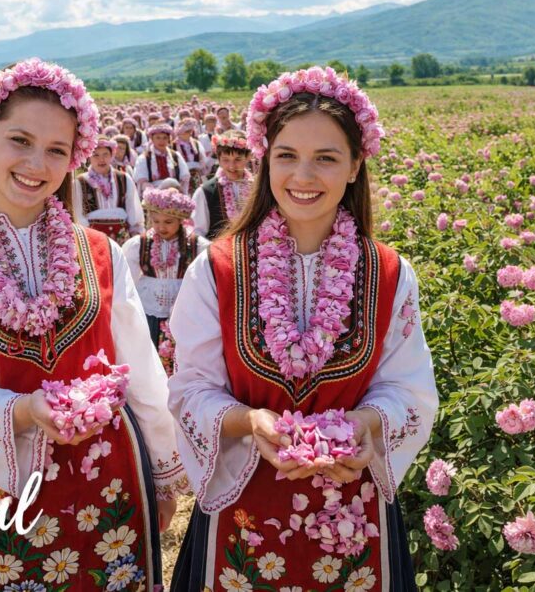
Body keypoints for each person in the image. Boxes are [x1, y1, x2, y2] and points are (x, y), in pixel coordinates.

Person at [0, 59, 187, 591]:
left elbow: (143, 371)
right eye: (20, 140)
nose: (37, 163)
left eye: (56, 150)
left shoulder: (101, 251)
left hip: (114, 475)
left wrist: (165, 471)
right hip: (6, 489)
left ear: (72, 159)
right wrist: (29, 408)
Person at [168, 66, 438, 590]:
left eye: (326, 158)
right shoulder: (217, 269)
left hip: (354, 511)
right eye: (286, 155)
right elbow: (189, 390)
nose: (303, 176)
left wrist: (365, 424)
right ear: (264, 159)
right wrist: (252, 423)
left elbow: (408, 389)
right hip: (240, 509)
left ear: (357, 166)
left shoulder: (389, 273)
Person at [121, 187, 208, 376]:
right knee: (149, 354)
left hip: (182, 310)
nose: (161, 227)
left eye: (168, 222)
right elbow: (127, 279)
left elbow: (204, 280)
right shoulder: (141, 244)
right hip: (150, 308)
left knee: (180, 357)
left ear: (181, 221)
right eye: (156, 221)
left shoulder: (196, 245)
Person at [72, 137, 144, 244]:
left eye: (105, 154)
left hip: (121, 237)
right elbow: (77, 214)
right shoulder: (80, 182)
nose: (101, 159)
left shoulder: (124, 179)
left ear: (111, 156)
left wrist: (135, 234)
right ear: (89, 158)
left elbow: (133, 210)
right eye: (96, 155)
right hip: (92, 238)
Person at [191, 129, 253, 239]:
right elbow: (198, 233)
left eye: (237, 159)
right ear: (218, 159)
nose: (232, 166)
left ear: (248, 157)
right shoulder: (206, 192)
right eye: (226, 160)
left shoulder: (257, 188)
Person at [133, 123, 190, 195]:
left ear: (168, 139)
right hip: (153, 195)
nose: (161, 141)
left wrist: (177, 191)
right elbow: (142, 182)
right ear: (152, 139)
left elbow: (184, 179)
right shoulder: (144, 158)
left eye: (165, 138)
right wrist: (156, 194)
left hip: (175, 193)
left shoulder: (176, 156)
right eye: (158, 137)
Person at [172, 118, 208, 194]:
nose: (190, 133)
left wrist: (199, 168)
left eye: (191, 131)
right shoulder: (173, 145)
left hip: (196, 174)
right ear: (180, 132)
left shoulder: (196, 143)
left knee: (197, 193)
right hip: (182, 176)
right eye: (187, 131)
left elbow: (202, 159)